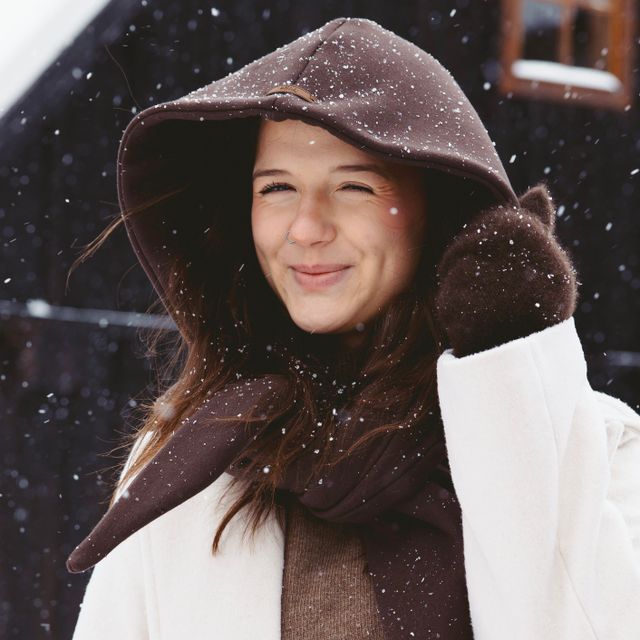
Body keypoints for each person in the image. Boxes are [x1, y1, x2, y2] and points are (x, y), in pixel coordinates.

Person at [67, 17, 640, 640]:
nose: (306, 228)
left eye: (354, 186)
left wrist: (510, 373)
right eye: (277, 187)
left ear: (437, 208)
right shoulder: (189, 465)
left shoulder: (604, 453)